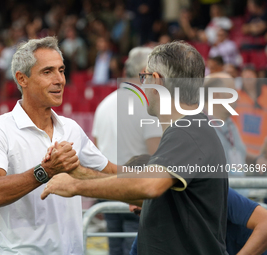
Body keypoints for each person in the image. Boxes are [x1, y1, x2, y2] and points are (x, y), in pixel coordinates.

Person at [42, 41, 229, 254]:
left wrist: (75, 186)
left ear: (157, 81)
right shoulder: (190, 130)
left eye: (145, 78)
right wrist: (82, 174)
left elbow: (148, 186)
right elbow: (156, 197)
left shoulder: (186, 133)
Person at [0, 37, 116, 255]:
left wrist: (151, 183)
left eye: (61, 70)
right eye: (48, 71)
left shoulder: (71, 128)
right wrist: (46, 171)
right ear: (22, 78)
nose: (60, 79)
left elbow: (110, 173)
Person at [92, 46, 162, 255]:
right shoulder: (146, 105)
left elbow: (95, 150)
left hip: (108, 188)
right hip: (135, 192)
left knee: (115, 248)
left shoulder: (104, 104)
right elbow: (157, 154)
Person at [129, 186, 267, 255]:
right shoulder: (151, 224)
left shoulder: (214, 192)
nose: (130, 207)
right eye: (127, 198)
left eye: (134, 195)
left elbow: (265, 223)